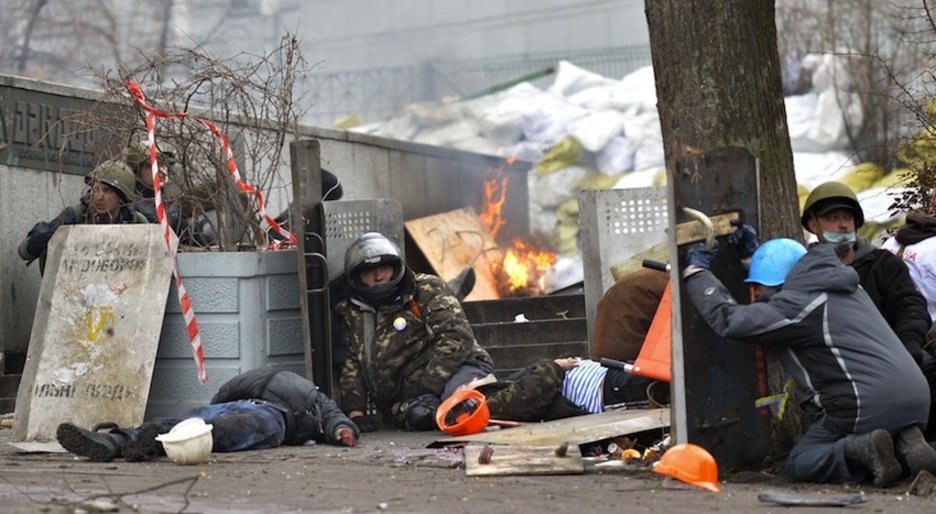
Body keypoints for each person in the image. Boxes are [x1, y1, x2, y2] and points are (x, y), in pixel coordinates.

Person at [683, 237, 936, 487]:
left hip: (866, 404)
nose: (757, 292)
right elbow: (783, 279)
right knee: (881, 422)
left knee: (801, 460)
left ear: (780, 284)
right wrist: (753, 256)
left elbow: (730, 320)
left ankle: (862, 448)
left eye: (761, 285)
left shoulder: (798, 307)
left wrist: (696, 273)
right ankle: (904, 443)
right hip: (917, 396)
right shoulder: (843, 285)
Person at [801, 181, 936, 436]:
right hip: (838, 372)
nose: (843, 224)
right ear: (813, 225)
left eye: (848, 217)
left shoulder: (883, 264)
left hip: (893, 360)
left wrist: (909, 344)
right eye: (832, 218)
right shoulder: (803, 274)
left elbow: (910, 304)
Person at [335, 232, 495, 432]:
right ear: (357, 277)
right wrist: (355, 412)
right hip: (407, 398)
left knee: (462, 404)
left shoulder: (426, 289)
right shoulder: (352, 311)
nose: (378, 277)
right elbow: (352, 363)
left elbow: (457, 338)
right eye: (369, 272)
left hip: (458, 370)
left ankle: (526, 390)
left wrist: (427, 386)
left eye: (384, 268)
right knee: (420, 417)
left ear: (395, 268)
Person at [56, 366, 360, 463]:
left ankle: (149, 442)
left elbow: (335, 416)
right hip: (242, 402)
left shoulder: (313, 397)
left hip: (274, 416)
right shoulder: (263, 377)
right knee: (196, 420)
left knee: (220, 425)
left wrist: (343, 431)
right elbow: (223, 394)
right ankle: (117, 439)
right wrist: (212, 406)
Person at [17, 159, 149, 274]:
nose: (98, 197)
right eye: (95, 189)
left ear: (122, 197)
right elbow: (26, 249)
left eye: (107, 191)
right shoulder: (76, 215)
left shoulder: (137, 222)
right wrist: (53, 234)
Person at [126, 139, 214, 247]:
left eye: (164, 165)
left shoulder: (172, 203)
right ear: (137, 171)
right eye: (151, 165)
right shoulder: (129, 205)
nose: (160, 170)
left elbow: (193, 237)